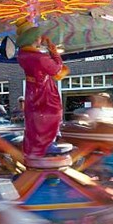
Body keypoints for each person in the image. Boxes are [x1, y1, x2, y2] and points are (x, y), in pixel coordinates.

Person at [15, 17, 69, 158]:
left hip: (32, 92)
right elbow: (57, 71)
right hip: (44, 92)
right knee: (51, 115)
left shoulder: (22, 55)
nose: (40, 38)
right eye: (37, 36)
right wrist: (54, 53)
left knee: (34, 120)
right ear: (33, 38)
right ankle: (46, 145)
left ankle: (34, 147)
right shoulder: (40, 58)